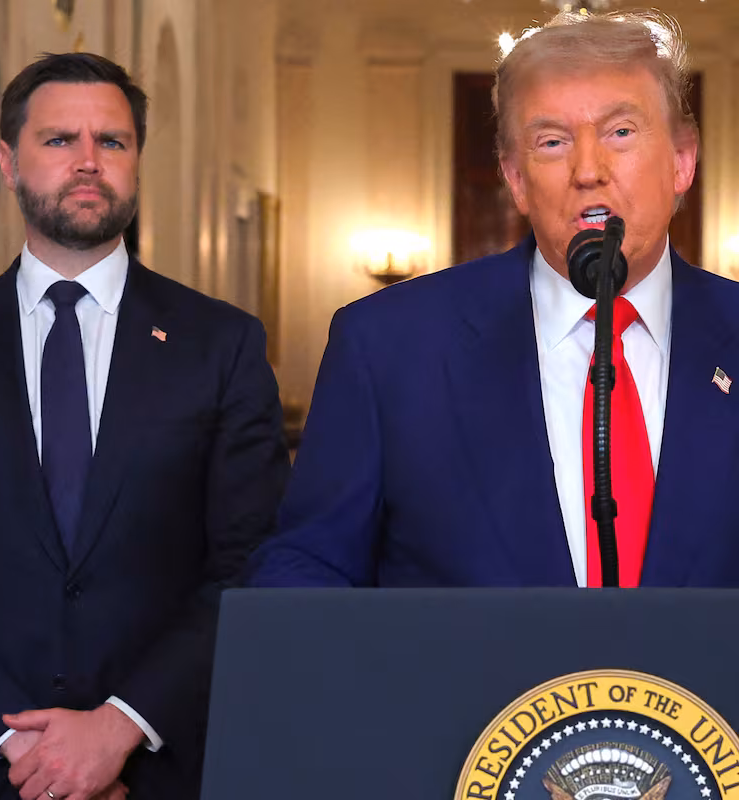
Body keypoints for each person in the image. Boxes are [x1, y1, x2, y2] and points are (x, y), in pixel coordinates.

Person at [248, 10, 739, 590]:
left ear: (682, 160)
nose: (588, 170)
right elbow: (307, 566)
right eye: (552, 142)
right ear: (515, 178)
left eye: (621, 132)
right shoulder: (387, 348)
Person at [0, 53, 289, 799]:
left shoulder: (220, 345)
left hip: (163, 767)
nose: (89, 162)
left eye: (114, 142)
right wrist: (15, 742)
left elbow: (251, 562)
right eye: (60, 140)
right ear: (8, 162)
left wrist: (119, 725)